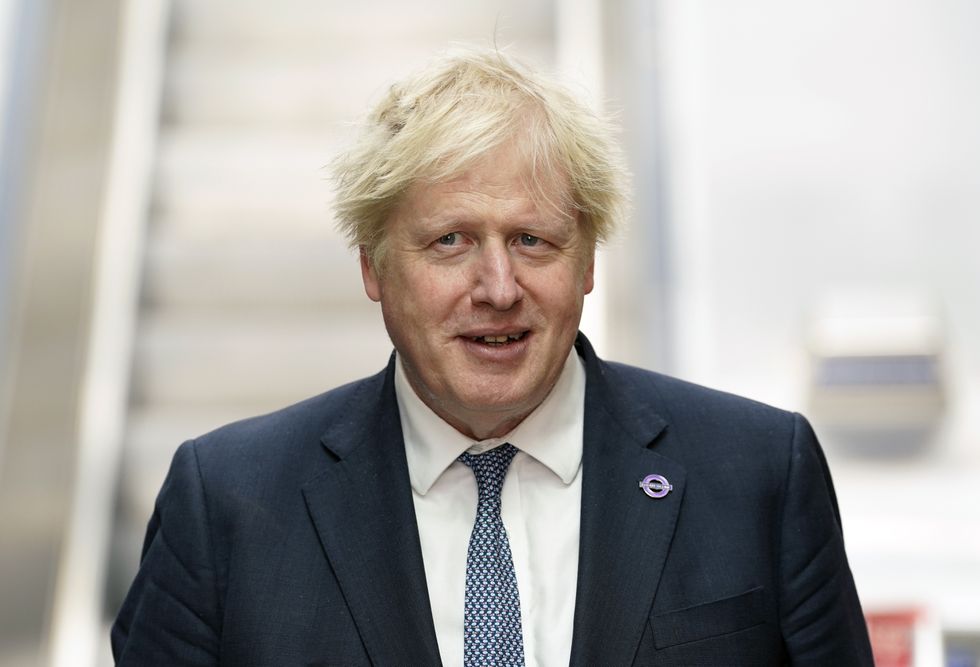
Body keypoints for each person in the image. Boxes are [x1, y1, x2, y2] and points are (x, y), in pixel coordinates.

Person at [111, 48, 873, 666]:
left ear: (588, 263)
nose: (499, 287)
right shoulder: (227, 507)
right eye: (451, 241)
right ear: (374, 266)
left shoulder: (760, 474)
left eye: (533, 240)